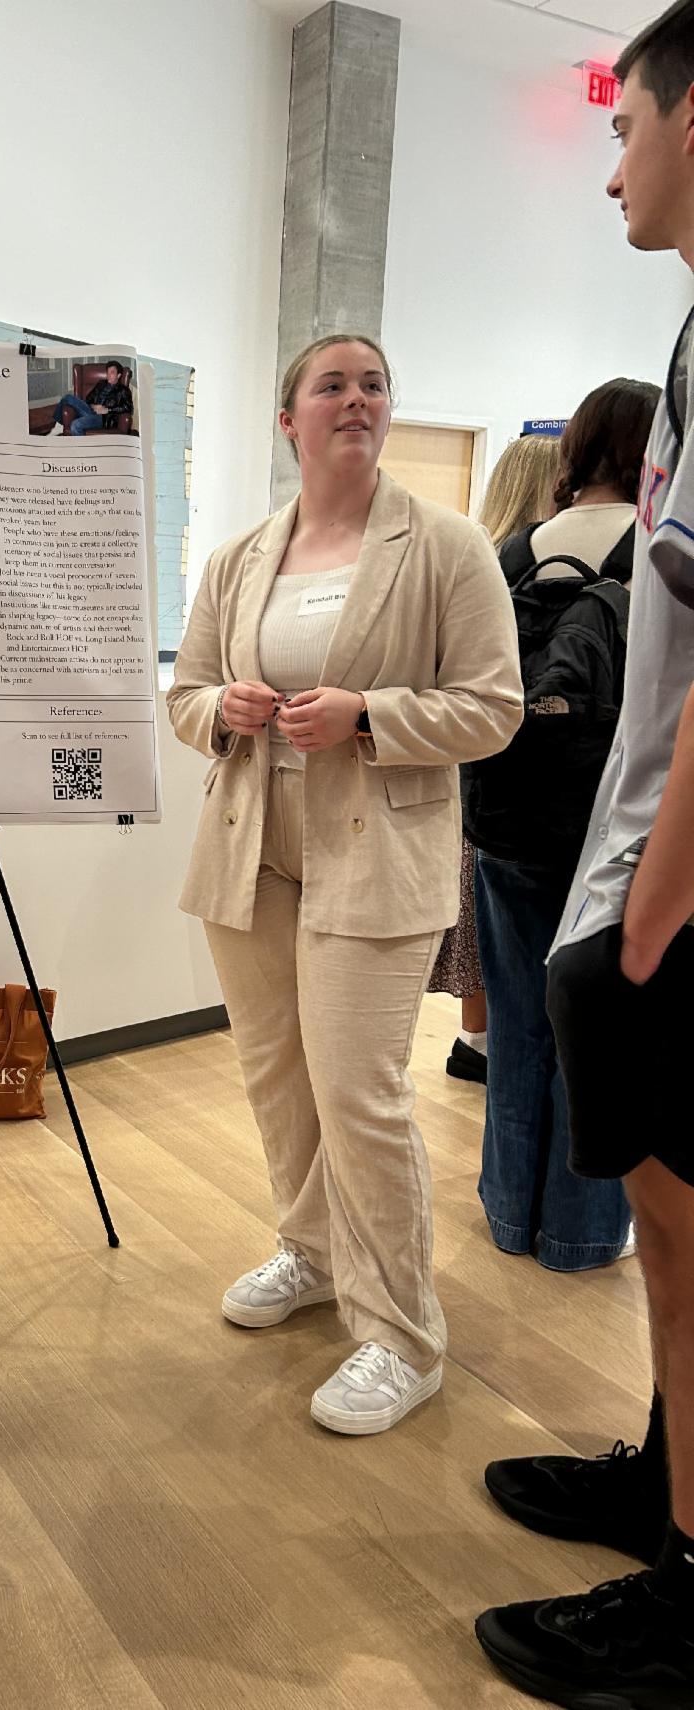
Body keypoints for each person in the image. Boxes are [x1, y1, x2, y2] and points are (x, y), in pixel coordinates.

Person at [167, 333, 522, 1436]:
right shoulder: (240, 558)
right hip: (251, 853)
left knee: (362, 1096)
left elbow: (494, 707)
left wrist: (370, 714)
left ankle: (401, 1335)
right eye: (333, 385)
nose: (357, 398)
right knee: (279, 1078)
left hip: (377, 855)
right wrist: (219, 708)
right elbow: (183, 695)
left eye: (373, 384)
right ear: (292, 420)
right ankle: (310, 1251)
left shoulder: (449, 547)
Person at [477, 7, 694, 1700]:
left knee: (690, 1228)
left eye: (630, 125)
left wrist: (650, 912)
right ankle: (667, 1482)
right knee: (670, 1230)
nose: (609, 160)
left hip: (672, 894)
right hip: (639, 870)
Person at [464, 380, 656, 1274]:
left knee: (516, 1025)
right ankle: (578, 1236)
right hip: (609, 837)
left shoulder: (509, 553)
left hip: (503, 821)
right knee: (597, 1041)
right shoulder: (652, 552)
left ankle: (508, 1215)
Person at [430, 433, 562, 1085]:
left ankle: (475, 1042)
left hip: (468, 778)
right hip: (502, 780)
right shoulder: (530, 571)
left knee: (477, 917)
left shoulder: (472, 559)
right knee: (495, 920)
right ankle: (486, 1047)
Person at [46, 360, 133, 436]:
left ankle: (84, 452)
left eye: (112, 372)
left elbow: (128, 407)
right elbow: (88, 398)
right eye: (108, 372)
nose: (108, 375)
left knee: (75, 425)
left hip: (103, 418)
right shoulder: (101, 383)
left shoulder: (123, 390)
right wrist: (94, 406)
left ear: (118, 375)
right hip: (91, 410)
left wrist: (108, 410)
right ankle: (58, 426)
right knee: (67, 397)